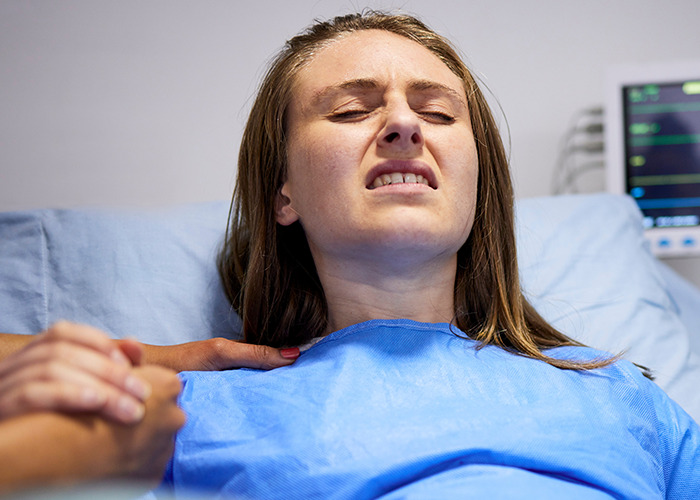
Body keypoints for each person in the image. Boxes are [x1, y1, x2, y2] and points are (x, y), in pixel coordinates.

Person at [159, 11, 700, 499]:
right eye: (350, 111)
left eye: (439, 113)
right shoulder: (189, 411)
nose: (405, 125)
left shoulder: (616, 391)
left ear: (475, 178)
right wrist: (129, 367)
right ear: (284, 193)